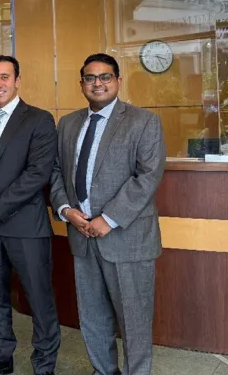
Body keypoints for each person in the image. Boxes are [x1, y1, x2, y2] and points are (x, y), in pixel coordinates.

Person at [49, 53, 165, 375]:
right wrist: (65, 210)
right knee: (93, 316)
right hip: (81, 235)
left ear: (117, 81)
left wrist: (108, 219)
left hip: (126, 239)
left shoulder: (143, 121)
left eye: (105, 77)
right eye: (90, 78)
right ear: (81, 83)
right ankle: (103, 371)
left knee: (134, 320)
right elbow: (57, 171)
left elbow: (148, 176)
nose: (97, 83)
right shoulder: (69, 123)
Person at [0, 55, 60, 375]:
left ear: (17, 80)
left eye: (4, 77)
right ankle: (0, 357)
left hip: (24, 226)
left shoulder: (39, 120)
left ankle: (44, 365)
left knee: (38, 298)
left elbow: (38, 173)